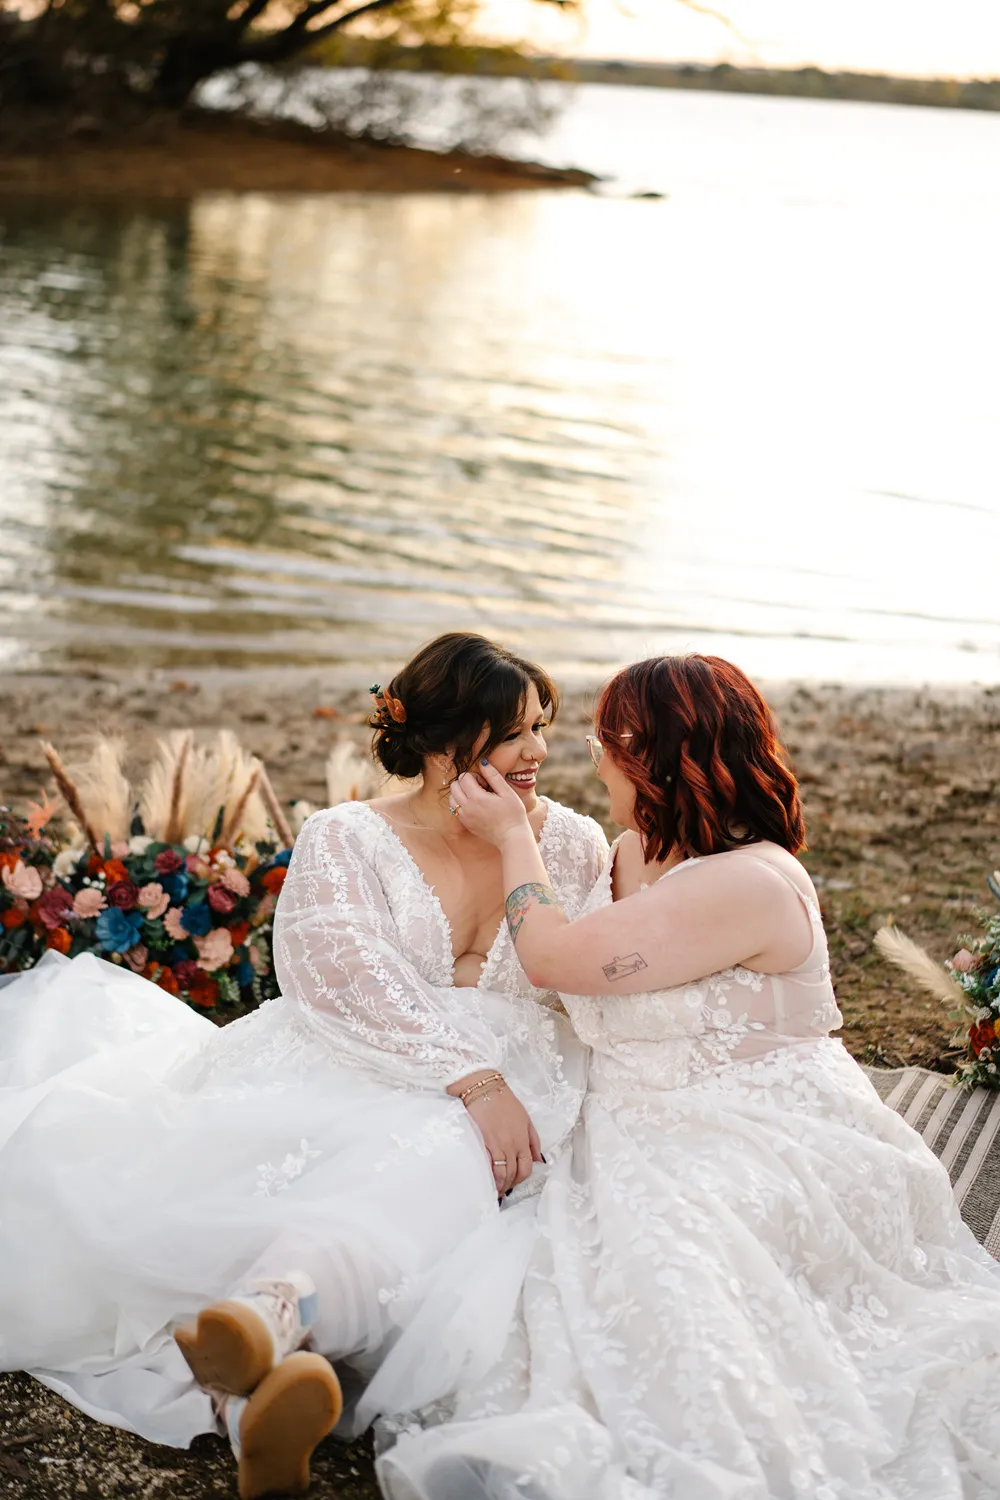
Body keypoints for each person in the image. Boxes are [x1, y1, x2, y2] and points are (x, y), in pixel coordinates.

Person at [375, 654, 1000, 1500]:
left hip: (761, 1128)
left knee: (675, 1275)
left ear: (654, 755)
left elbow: (556, 957)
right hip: (628, 1111)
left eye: (605, 741)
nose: (588, 759)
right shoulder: (631, 850)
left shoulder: (750, 882)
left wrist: (513, 838)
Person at [0, 632, 608, 1500]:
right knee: (419, 1152)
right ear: (446, 743)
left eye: (542, 728)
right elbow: (339, 976)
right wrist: (473, 1081)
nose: (540, 752)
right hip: (367, 1056)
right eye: (516, 734)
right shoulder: (348, 837)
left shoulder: (575, 845)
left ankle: (260, 1351)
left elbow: (589, 975)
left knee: (438, 1177)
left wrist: (520, 846)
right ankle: (267, 1331)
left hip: (529, 1085)